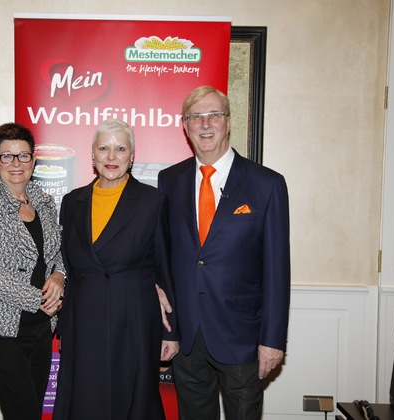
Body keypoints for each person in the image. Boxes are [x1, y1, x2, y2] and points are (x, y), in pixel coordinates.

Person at [157, 85, 291, 420]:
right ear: (185, 126)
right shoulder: (169, 181)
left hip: (243, 339)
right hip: (187, 338)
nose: (205, 124)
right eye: (195, 117)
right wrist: (168, 330)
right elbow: (164, 260)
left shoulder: (267, 184)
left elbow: (277, 271)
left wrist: (273, 340)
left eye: (214, 114)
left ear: (228, 122)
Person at [53, 119, 180, 420]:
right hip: (82, 321)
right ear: (92, 155)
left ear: (132, 156)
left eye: (120, 149)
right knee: (84, 402)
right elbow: (67, 262)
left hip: (132, 320)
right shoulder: (72, 202)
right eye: (104, 148)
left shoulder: (152, 201)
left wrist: (171, 332)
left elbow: (165, 268)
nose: (111, 157)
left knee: (130, 402)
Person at [0, 122, 66, 420]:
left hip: (42, 328)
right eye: (7, 156)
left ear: (33, 160)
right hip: (3, 329)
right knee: (22, 412)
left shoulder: (45, 203)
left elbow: (57, 254)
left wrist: (59, 276)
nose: (16, 163)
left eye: (23, 155)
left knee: (34, 409)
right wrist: (38, 300)